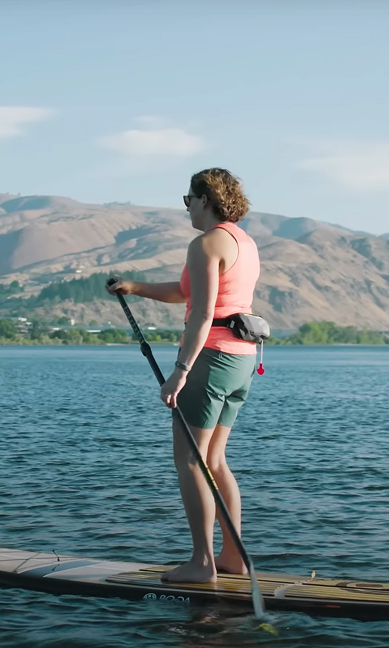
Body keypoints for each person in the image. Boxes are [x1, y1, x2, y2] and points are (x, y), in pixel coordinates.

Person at [107, 168, 261, 584]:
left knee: (190, 460)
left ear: (205, 198)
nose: (187, 206)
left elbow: (203, 314)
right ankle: (233, 558)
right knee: (213, 459)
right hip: (242, 359)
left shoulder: (205, 243)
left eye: (188, 199)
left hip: (209, 359)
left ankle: (202, 564)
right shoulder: (242, 242)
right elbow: (188, 294)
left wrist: (180, 371)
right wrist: (135, 287)